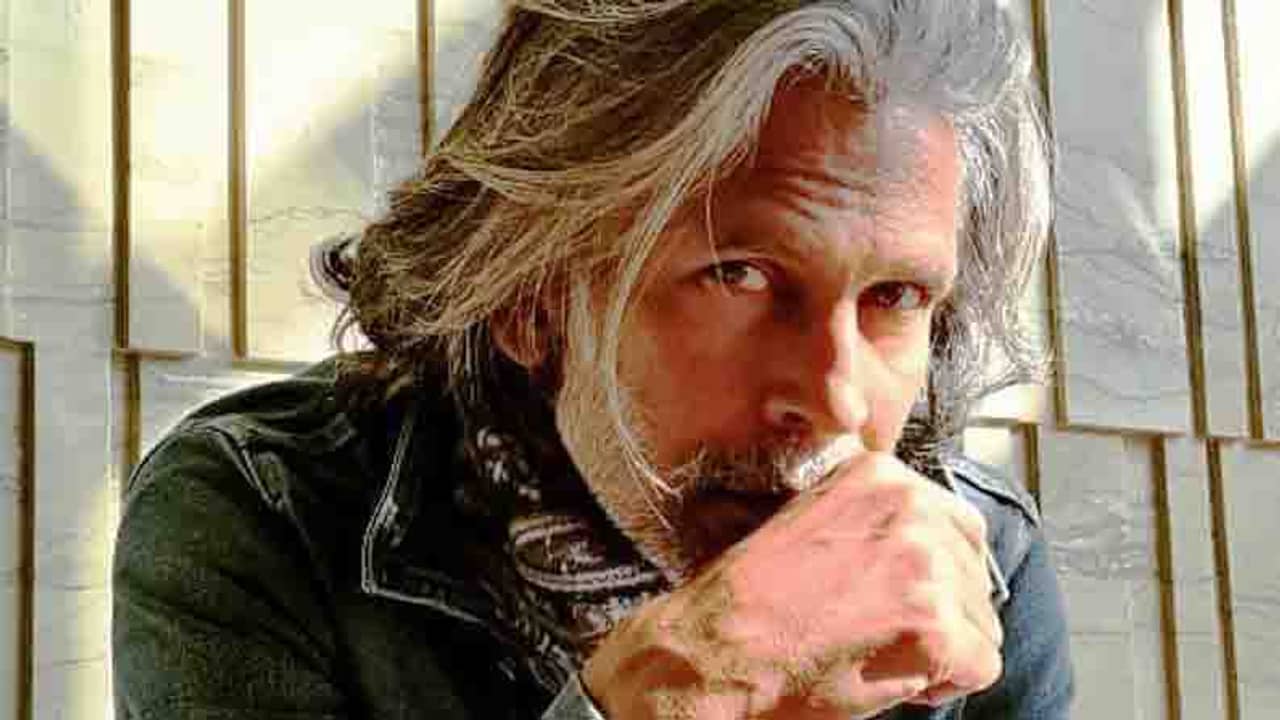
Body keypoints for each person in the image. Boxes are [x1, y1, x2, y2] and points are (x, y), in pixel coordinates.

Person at [112, 1, 1073, 718]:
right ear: (532, 299)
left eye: (894, 297)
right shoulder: (263, 511)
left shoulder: (981, 560)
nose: (834, 398)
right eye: (737, 275)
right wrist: (679, 693)